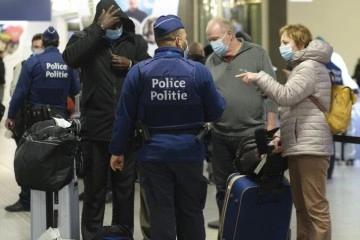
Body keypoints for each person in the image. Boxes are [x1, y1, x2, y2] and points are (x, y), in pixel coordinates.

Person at [109, 14, 226, 240]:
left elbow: (124, 116)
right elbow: (217, 111)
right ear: (178, 41)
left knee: (160, 214)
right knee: (191, 213)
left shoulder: (139, 72)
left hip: (153, 155)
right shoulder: (197, 71)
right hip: (190, 153)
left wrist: (117, 150)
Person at [62, 0, 151, 239]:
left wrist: (131, 65)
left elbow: (150, 71)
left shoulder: (135, 42)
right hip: (96, 130)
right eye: (110, 21)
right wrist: (98, 29)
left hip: (127, 130)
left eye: (118, 21)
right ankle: (91, 236)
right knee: (94, 192)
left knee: (124, 194)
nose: (115, 25)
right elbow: (70, 58)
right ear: (99, 18)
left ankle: (121, 235)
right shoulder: (85, 39)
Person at [238, 24, 333, 240]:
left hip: (311, 148)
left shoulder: (309, 67)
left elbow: (286, 96)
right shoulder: (302, 68)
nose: (281, 46)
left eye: (285, 42)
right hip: (300, 145)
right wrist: (282, 136)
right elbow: (295, 110)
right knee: (302, 208)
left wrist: (260, 77)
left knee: (315, 209)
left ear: (300, 43)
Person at [204, 17, 278, 229]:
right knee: (222, 187)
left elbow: (272, 93)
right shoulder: (211, 60)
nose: (213, 43)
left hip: (251, 134)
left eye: (215, 38)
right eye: (209, 39)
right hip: (220, 136)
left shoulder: (257, 54)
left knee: (254, 185)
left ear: (229, 34)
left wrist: (271, 129)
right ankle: (228, 228)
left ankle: (253, 229)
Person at [4, 26, 80, 211]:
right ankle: (58, 205)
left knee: (34, 160)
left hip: (36, 121)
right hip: (60, 118)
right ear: (58, 43)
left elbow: (20, 92)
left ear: (43, 43)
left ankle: (33, 203)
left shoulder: (33, 63)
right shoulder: (67, 63)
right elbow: (76, 90)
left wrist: (11, 115)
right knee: (59, 160)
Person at [3, 33, 43, 213]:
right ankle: (26, 198)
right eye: (36, 46)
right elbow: (13, 91)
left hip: (43, 122)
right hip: (23, 122)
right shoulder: (22, 65)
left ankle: (37, 199)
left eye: (41, 46)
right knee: (24, 162)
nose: (38, 49)